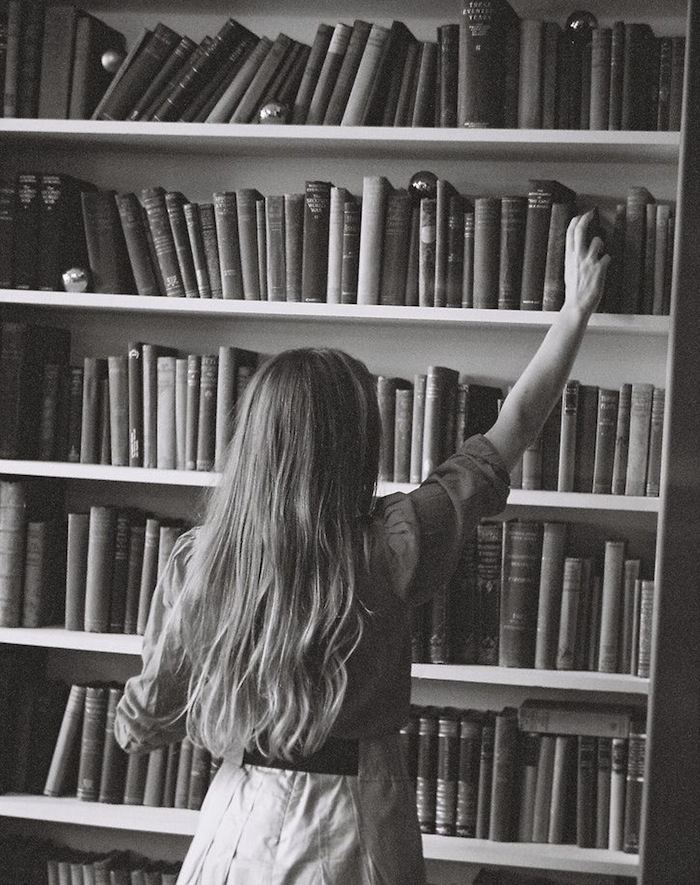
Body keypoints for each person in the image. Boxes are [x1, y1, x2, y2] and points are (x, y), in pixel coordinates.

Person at [115, 210, 609, 884]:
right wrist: (576, 307)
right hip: (354, 822)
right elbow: (510, 429)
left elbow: (141, 725)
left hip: (236, 824)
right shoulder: (394, 543)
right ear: (358, 448)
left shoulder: (200, 560)